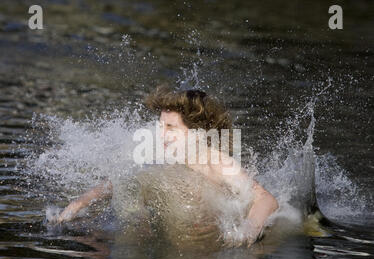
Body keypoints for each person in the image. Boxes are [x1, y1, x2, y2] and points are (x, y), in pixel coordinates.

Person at [55, 86, 279, 247]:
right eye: (160, 125)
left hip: (207, 242)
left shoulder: (218, 163)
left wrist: (248, 230)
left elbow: (265, 199)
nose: (161, 134)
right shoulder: (165, 154)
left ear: (196, 131)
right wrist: (79, 203)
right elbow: (120, 181)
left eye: (170, 128)